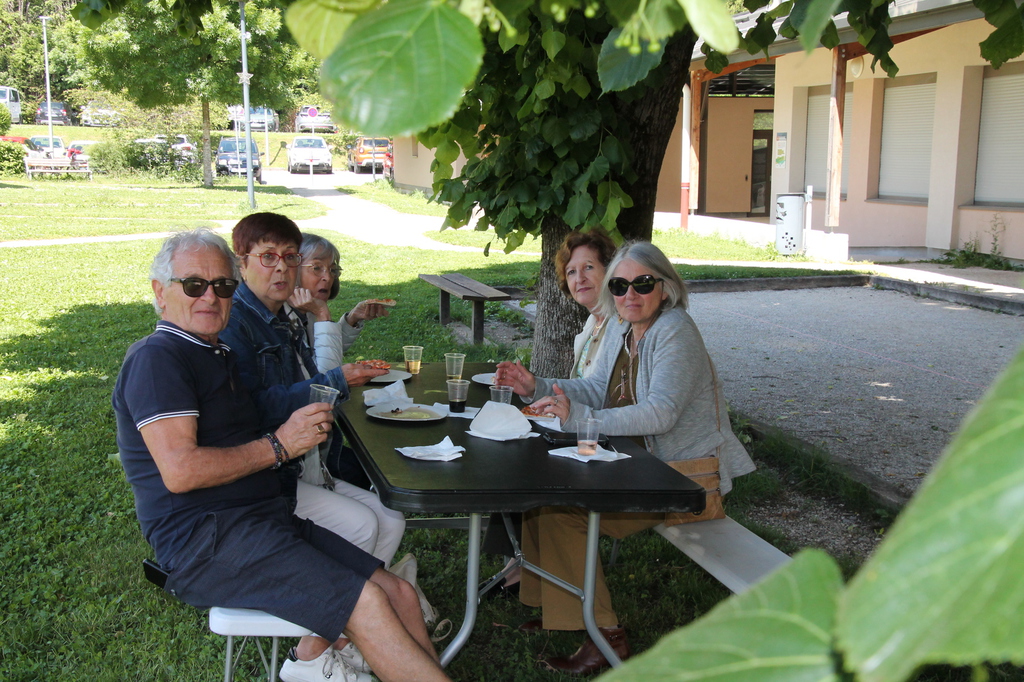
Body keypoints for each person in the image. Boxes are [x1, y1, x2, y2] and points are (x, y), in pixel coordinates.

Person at [113, 229, 449, 682]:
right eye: (194, 285)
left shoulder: (218, 352)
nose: (210, 297)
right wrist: (280, 445)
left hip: (264, 520)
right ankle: (317, 661)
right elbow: (181, 471)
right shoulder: (158, 358)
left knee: (400, 594)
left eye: (222, 286)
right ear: (160, 292)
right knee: (367, 601)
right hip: (206, 541)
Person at [495, 240, 756, 675]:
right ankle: (557, 608)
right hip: (637, 466)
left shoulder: (675, 331)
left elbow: (661, 413)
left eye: (642, 284)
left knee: (563, 510)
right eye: (619, 286)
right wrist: (536, 387)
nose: (629, 295)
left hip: (681, 480)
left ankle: (607, 637)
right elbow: (595, 389)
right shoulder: (622, 327)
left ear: (665, 287)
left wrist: (582, 420)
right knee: (543, 497)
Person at [218, 213, 406, 572]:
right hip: (268, 477)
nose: (281, 268)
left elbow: (313, 377)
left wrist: (338, 376)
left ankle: (366, 598)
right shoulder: (236, 324)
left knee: (392, 518)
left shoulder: (282, 319)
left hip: (307, 465)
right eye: (268, 257)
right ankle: (344, 599)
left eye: (289, 257)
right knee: (364, 524)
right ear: (242, 264)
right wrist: (338, 379)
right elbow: (257, 409)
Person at [481, 229, 619, 599]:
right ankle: (520, 565)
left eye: (589, 267)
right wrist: (535, 387)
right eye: (572, 272)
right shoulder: (594, 324)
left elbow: (603, 395)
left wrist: (544, 393)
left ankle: (524, 571)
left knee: (527, 463)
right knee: (514, 449)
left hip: (610, 440)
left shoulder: (620, 323)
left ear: (610, 271)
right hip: (591, 430)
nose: (579, 278)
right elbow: (588, 387)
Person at [286, 232, 391, 373]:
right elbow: (326, 378)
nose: (328, 277)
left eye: (333, 270)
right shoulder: (281, 319)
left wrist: (351, 320)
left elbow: (327, 351)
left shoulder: (306, 309)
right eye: (316, 268)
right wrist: (323, 314)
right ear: (292, 269)